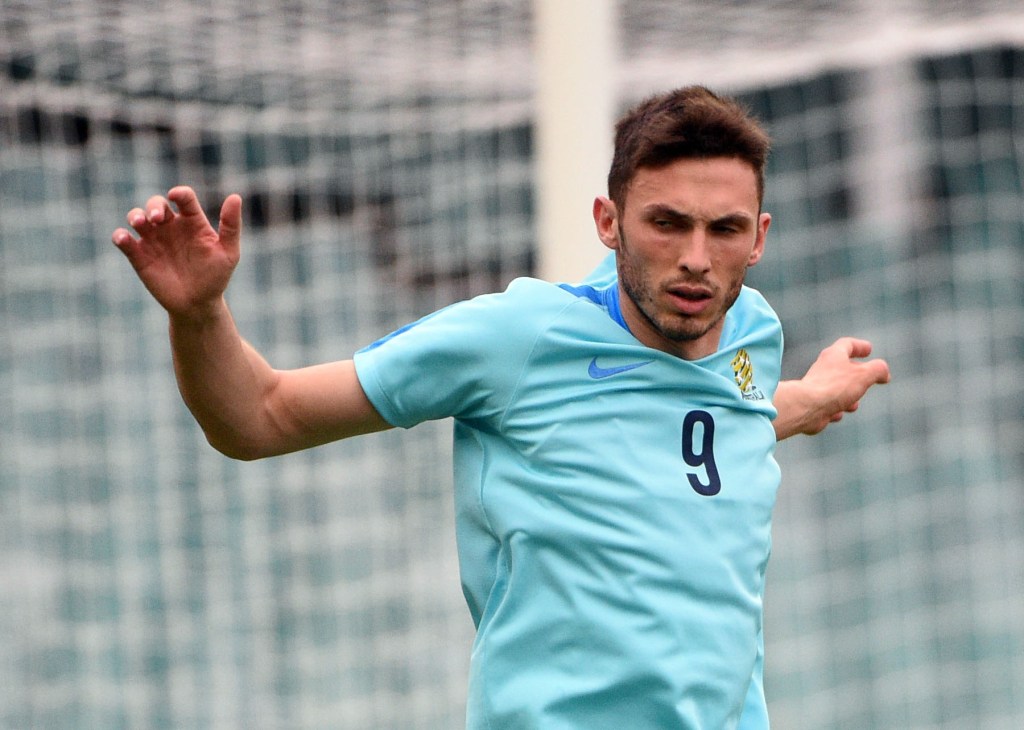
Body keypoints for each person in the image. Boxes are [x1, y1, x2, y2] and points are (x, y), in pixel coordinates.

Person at [112, 85, 889, 729]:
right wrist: (199, 315)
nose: (695, 257)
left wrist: (809, 398)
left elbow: (714, 423)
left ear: (757, 239)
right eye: (666, 223)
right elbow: (260, 417)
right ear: (608, 222)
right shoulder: (515, 337)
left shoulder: (753, 330)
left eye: (722, 230)